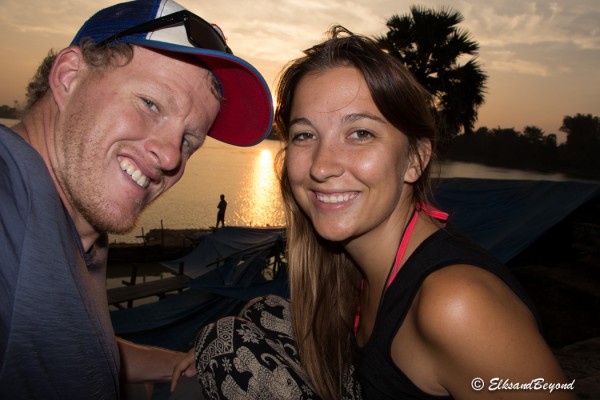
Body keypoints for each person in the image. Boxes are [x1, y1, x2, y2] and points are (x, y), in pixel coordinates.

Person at [177, 26, 574, 399]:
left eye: (360, 133)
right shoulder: (353, 270)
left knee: (223, 347)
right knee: (259, 314)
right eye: (304, 135)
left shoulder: (457, 306)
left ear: (415, 159)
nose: (321, 166)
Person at [0, 0, 273, 398]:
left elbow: (60, 341)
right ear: (69, 76)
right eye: (150, 104)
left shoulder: (80, 225)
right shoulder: (13, 197)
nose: (171, 156)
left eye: (188, 140)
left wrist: (166, 363)